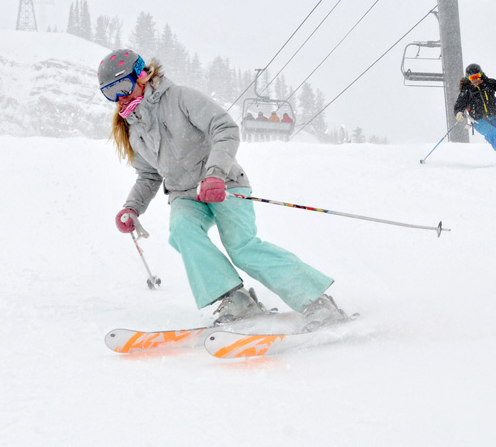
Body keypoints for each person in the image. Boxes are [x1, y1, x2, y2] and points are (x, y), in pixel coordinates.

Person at [98, 48, 347, 330]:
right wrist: (132, 207)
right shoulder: (134, 128)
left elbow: (225, 128)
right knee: (182, 231)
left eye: (122, 86)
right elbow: (147, 175)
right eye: (110, 93)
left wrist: (215, 174)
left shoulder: (179, 98)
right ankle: (235, 299)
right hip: (184, 194)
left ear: (142, 76)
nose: (120, 97)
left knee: (242, 247)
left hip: (224, 184)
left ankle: (317, 301)